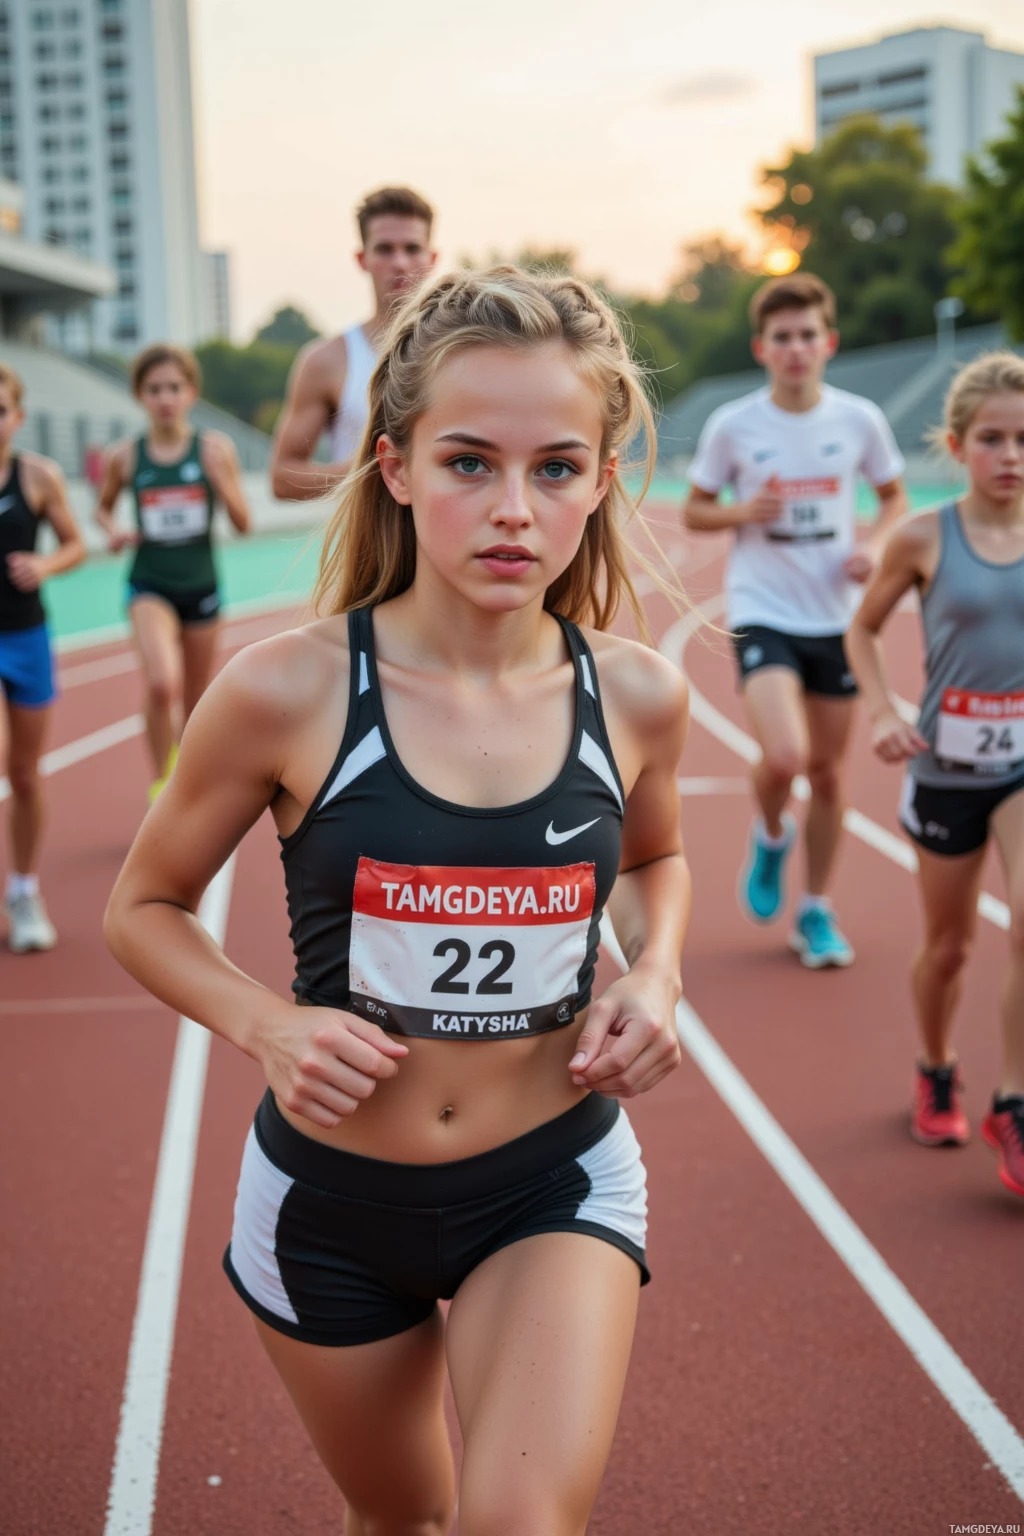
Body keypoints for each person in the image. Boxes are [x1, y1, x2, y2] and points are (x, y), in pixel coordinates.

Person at [105, 267, 692, 1533]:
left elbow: (652, 863)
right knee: (404, 1523)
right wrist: (268, 1024)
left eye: (555, 468)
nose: (513, 511)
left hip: (551, 1184)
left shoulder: (637, 695)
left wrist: (654, 972)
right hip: (326, 1205)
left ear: (598, 480)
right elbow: (143, 905)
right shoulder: (286, 691)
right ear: (396, 467)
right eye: (469, 462)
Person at [682, 273, 908, 967]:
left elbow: (893, 496)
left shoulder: (859, 419)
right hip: (762, 607)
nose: (796, 348)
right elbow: (695, 509)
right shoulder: (736, 426)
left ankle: (814, 910)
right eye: (783, 337)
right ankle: (772, 831)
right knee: (784, 757)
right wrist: (741, 513)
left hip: (836, 618)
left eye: (808, 335)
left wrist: (876, 545)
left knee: (830, 775)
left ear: (829, 342)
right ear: (762, 348)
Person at [846, 352, 1024, 1200]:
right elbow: (862, 631)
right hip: (948, 768)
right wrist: (883, 712)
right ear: (957, 445)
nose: (1011, 455)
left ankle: (1014, 1102)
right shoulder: (924, 535)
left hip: (1022, 767)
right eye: (992, 438)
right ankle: (936, 1066)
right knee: (950, 947)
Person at [95, 345, 251, 801]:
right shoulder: (125, 456)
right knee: (163, 682)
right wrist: (115, 530)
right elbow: (101, 509)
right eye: (154, 389)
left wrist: (219, 481)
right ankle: (161, 784)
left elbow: (243, 525)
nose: (165, 398)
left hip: (201, 587)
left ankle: (186, 780)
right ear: (140, 395)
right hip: (149, 584)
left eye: (174, 388)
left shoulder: (215, 449)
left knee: (196, 701)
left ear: (191, 393)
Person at [269, 186, 437, 501]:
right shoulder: (328, 360)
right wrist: (376, 468)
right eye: (385, 249)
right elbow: (282, 477)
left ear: (433, 258)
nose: (399, 262)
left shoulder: (463, 353)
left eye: (412, 248)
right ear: (362, 259)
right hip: (366, 546)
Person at [0, 363, 85, 951]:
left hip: (26, 637)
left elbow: (76, 544)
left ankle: (24, 890)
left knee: (25, 774)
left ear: (17, 416)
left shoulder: (36, 477)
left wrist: (46, 564)